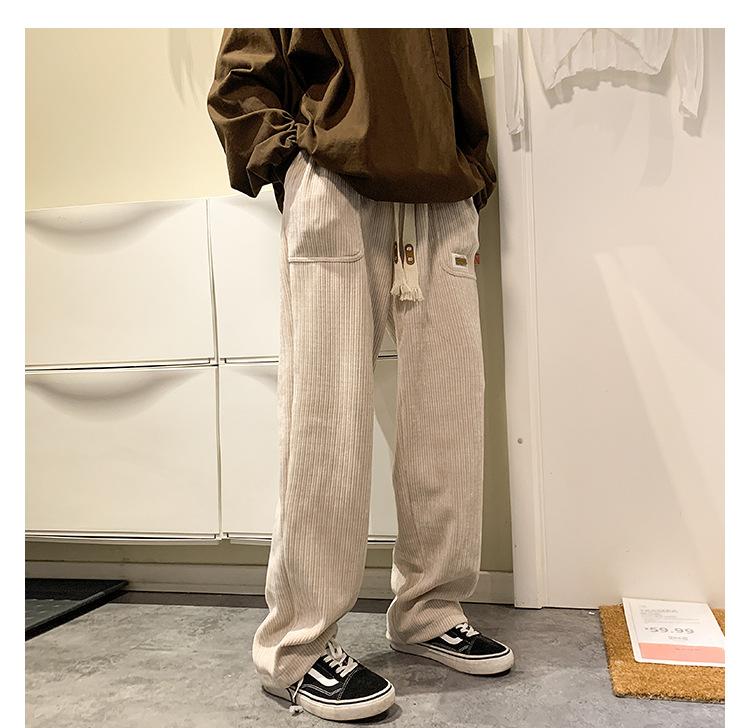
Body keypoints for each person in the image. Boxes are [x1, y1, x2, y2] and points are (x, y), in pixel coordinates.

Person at [208, 28, 514, 722]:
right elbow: (242, 75)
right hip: (336, 184)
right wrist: (293, 159)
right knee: (326, 421)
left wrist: (473, 173)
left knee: (450, 416)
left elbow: (457, 79)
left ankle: (430, 611)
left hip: (441, 197)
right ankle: (296, 648)